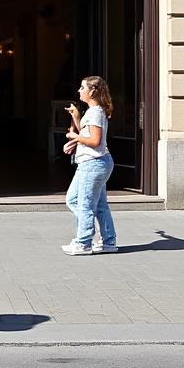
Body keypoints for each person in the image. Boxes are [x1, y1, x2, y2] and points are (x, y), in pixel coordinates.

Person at [61, 76, 118, 256]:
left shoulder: (95, 112)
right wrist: (77, 119)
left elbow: (94, 140)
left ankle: (84, 241)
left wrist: (75, 138)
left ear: (92, 91)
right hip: (96, 162)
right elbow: (88, 135)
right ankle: (108, 241)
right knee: (98, 205)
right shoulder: (93, 111)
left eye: (82, 87)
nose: (79, 90)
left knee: (80, 202)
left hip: (93, 164)